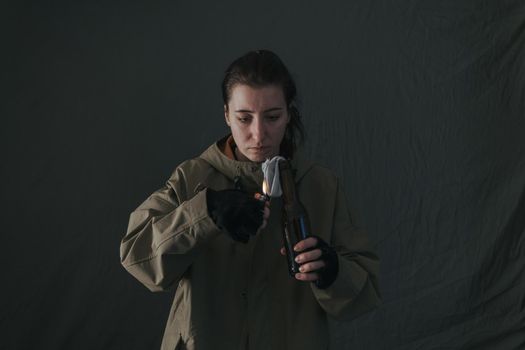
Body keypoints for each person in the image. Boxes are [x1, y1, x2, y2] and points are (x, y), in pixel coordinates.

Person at [120, 49, 381, 350]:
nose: (259, 134)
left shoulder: (321, 186)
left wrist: (332, 270)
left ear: (288, 114)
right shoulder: (191, 178)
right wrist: (205, 211)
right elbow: (137, 256)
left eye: (272, 117)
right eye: (244, 118)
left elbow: (366, 287)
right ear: (226, 115)